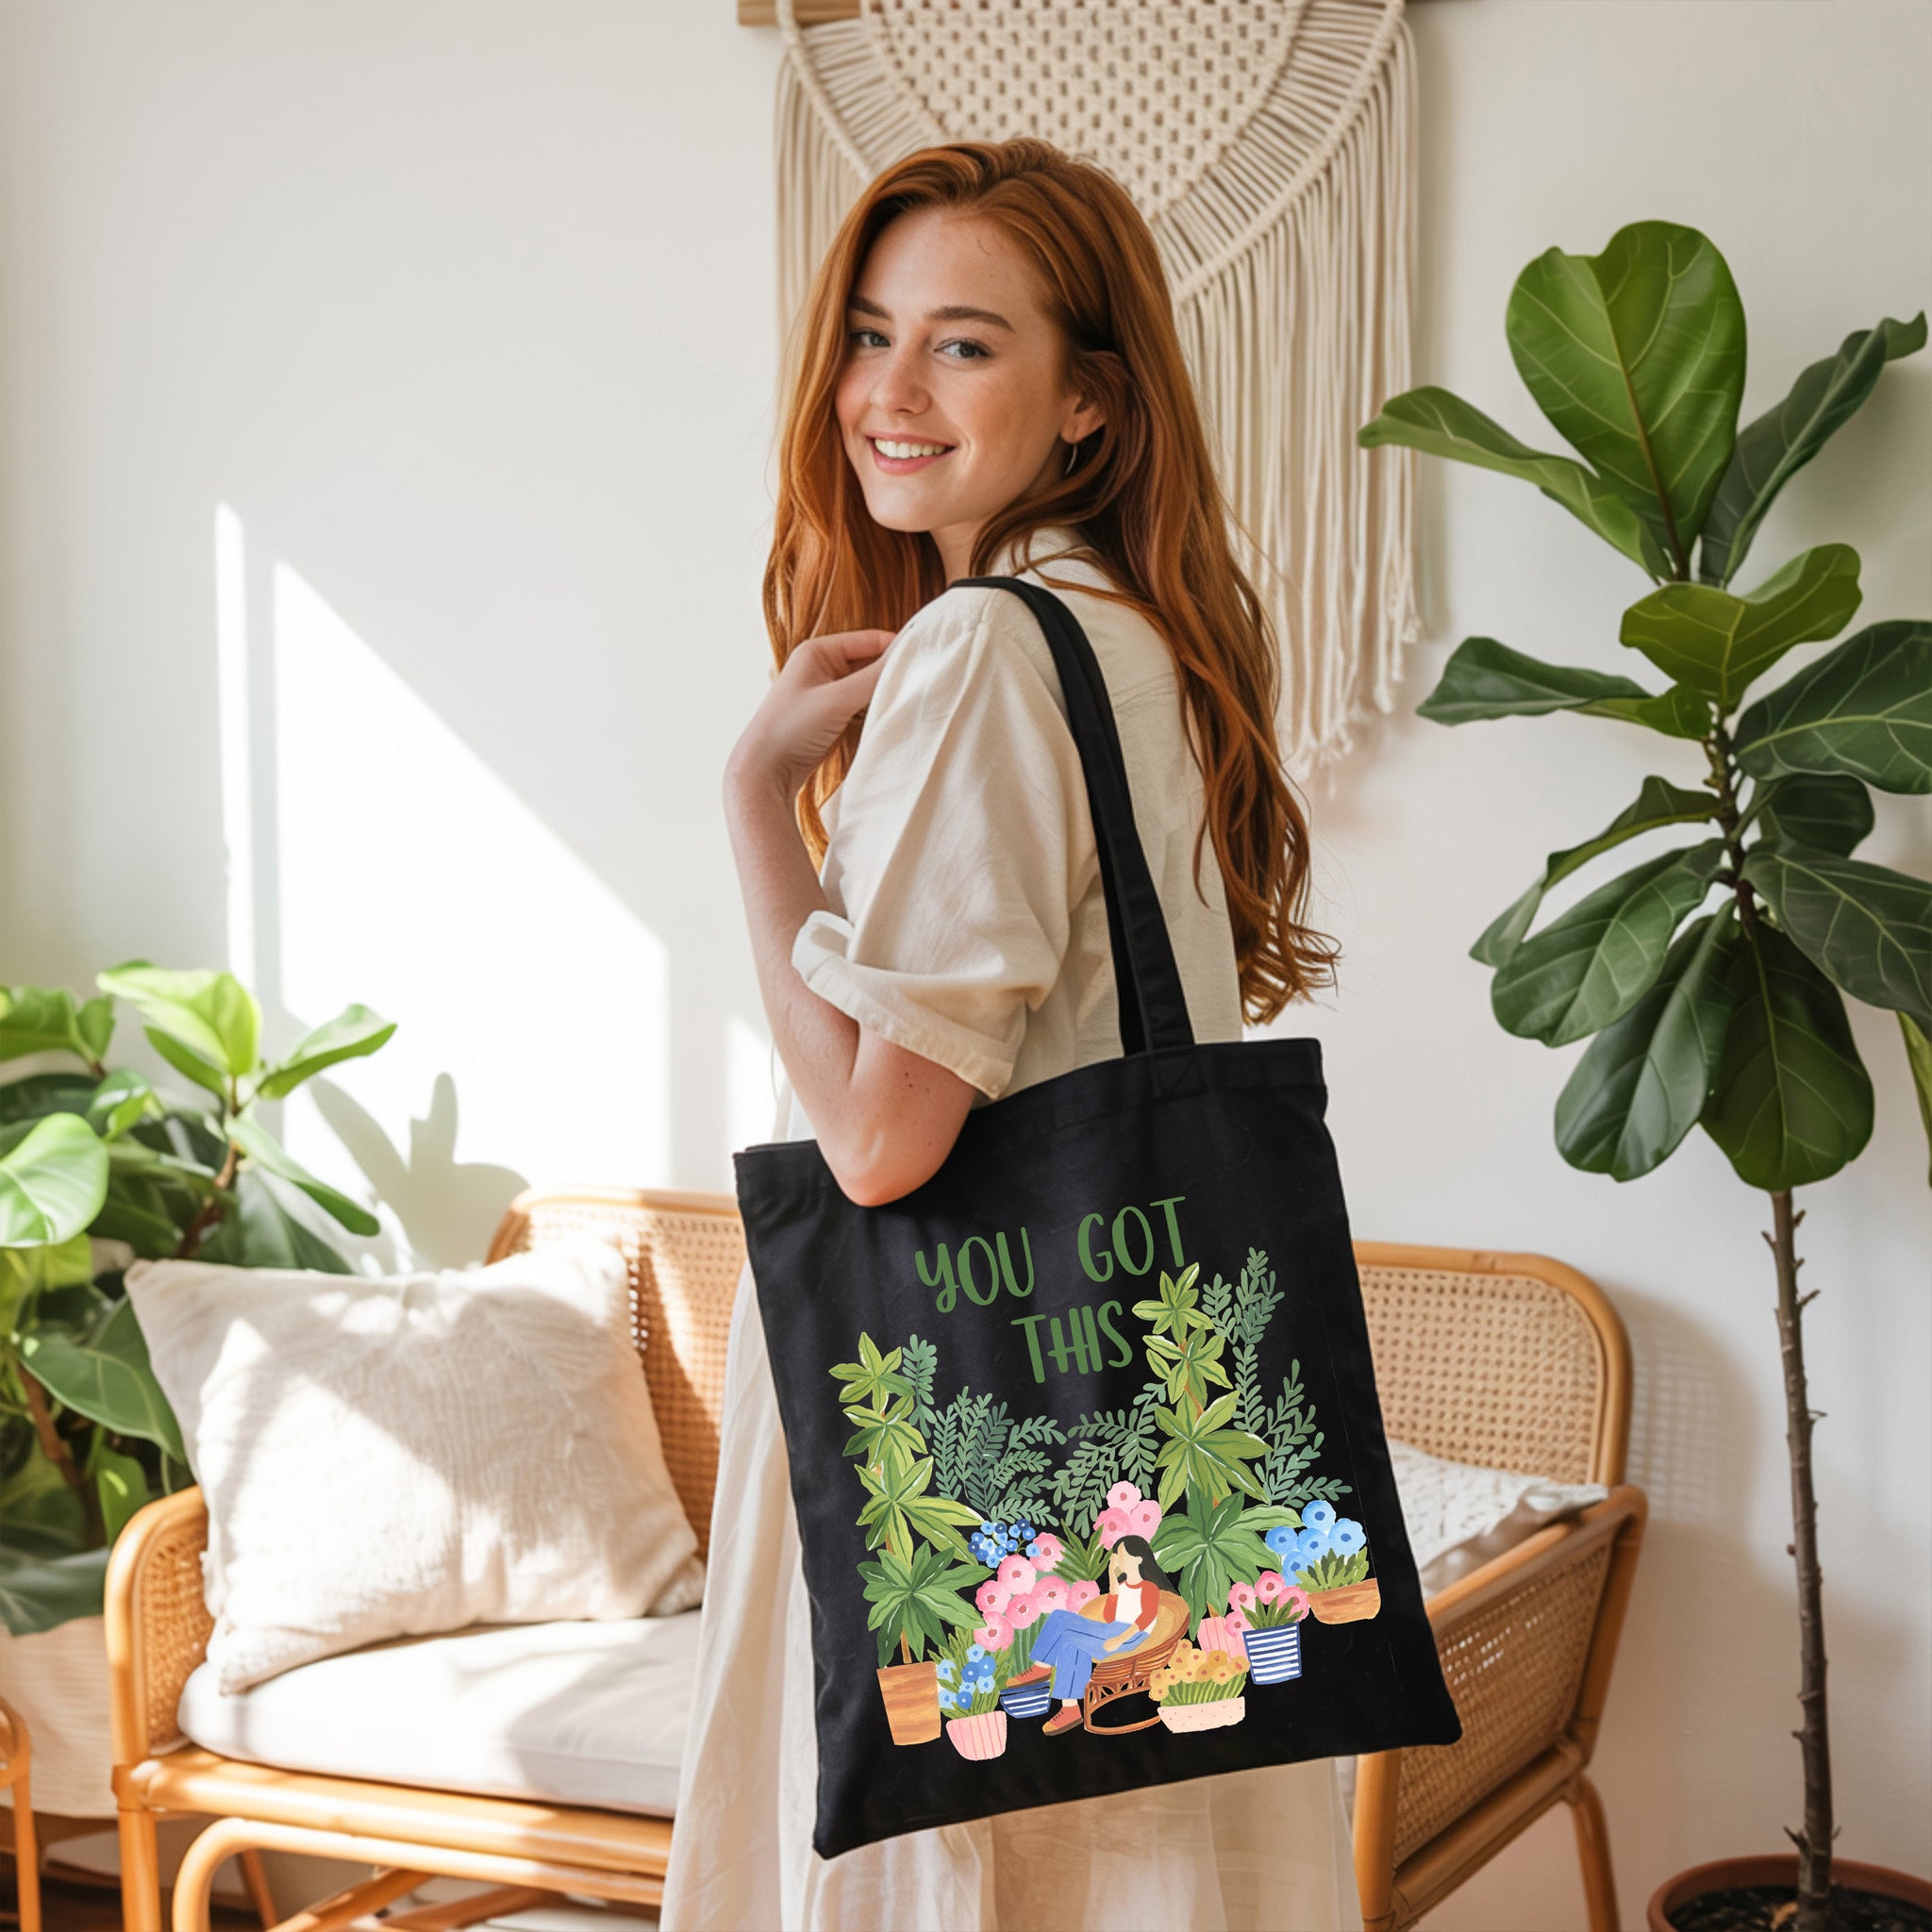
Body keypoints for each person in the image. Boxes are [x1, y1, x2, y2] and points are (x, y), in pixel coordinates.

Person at [660, 136, 1359, 1932]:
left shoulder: (982, 644)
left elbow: (876, 1141)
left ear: (1086, 402)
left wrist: (752, 798)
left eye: (962, 344)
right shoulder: (1131, 628)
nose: (887, 392)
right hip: (1140, 1404)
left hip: (945, 1405)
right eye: (869, 333)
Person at [1008, 1534, 1171, 1736]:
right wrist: (1112, 1577)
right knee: (1059, 1618)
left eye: (1122, 1555)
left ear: (1138, 1559)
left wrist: (1118, 1640)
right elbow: (1110, 1617)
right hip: (1114, 1628)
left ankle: (1067, 1705)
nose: (1118, 1560)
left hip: (1132, 1636)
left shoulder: (1149, 1588)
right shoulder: (1122, 1587)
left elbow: (1146, 1617)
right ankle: (1044, 1672)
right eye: (1117, 1555)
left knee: (1071, 1640)